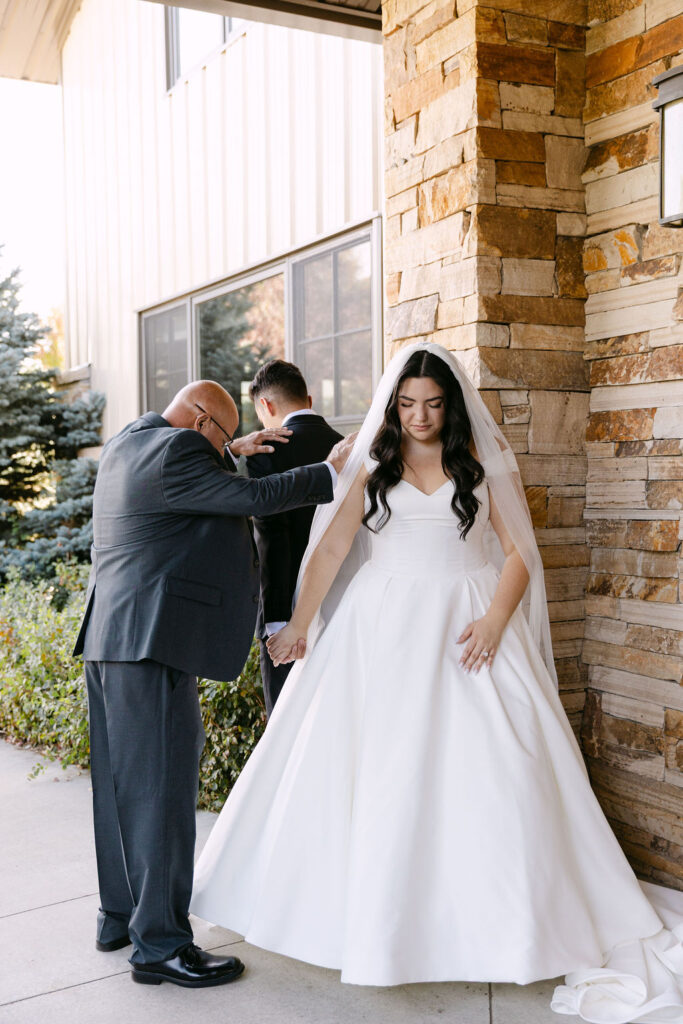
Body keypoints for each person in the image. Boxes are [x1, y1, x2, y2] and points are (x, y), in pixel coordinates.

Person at [190, 346, 683, 1021]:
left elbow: (518, 554)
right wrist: (301, 625)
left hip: (468, 620)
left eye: (432, 403)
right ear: (392, 406)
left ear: (449, 406)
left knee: (503, 766)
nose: (419, 416)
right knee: (373, 768)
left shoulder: (477, 465)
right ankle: (374, 924)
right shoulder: (369, 461)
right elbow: (332, 548)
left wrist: (492, 622)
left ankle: (509, 922)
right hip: (380, 622)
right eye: (407, 404)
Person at [73, 379, 353, 988]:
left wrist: (232, 446)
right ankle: (162, 948)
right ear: (200, 424)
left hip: (110, 638)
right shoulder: (178, 454)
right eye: (220, 439)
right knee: (164, 797)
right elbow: (253, 498)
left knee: (121, 790)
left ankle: (118, 917)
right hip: (151, 644)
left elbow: (195, 472)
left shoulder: (130, 440)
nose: (222, 449)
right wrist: (326, 471)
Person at [247, 359, 343, 716]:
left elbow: (271, 540)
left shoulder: (266, 451)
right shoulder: (348, 448)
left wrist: (275, 620)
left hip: (289, 613)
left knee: (286, 726)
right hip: (348, 603)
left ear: (266, 406)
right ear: (310, 399)